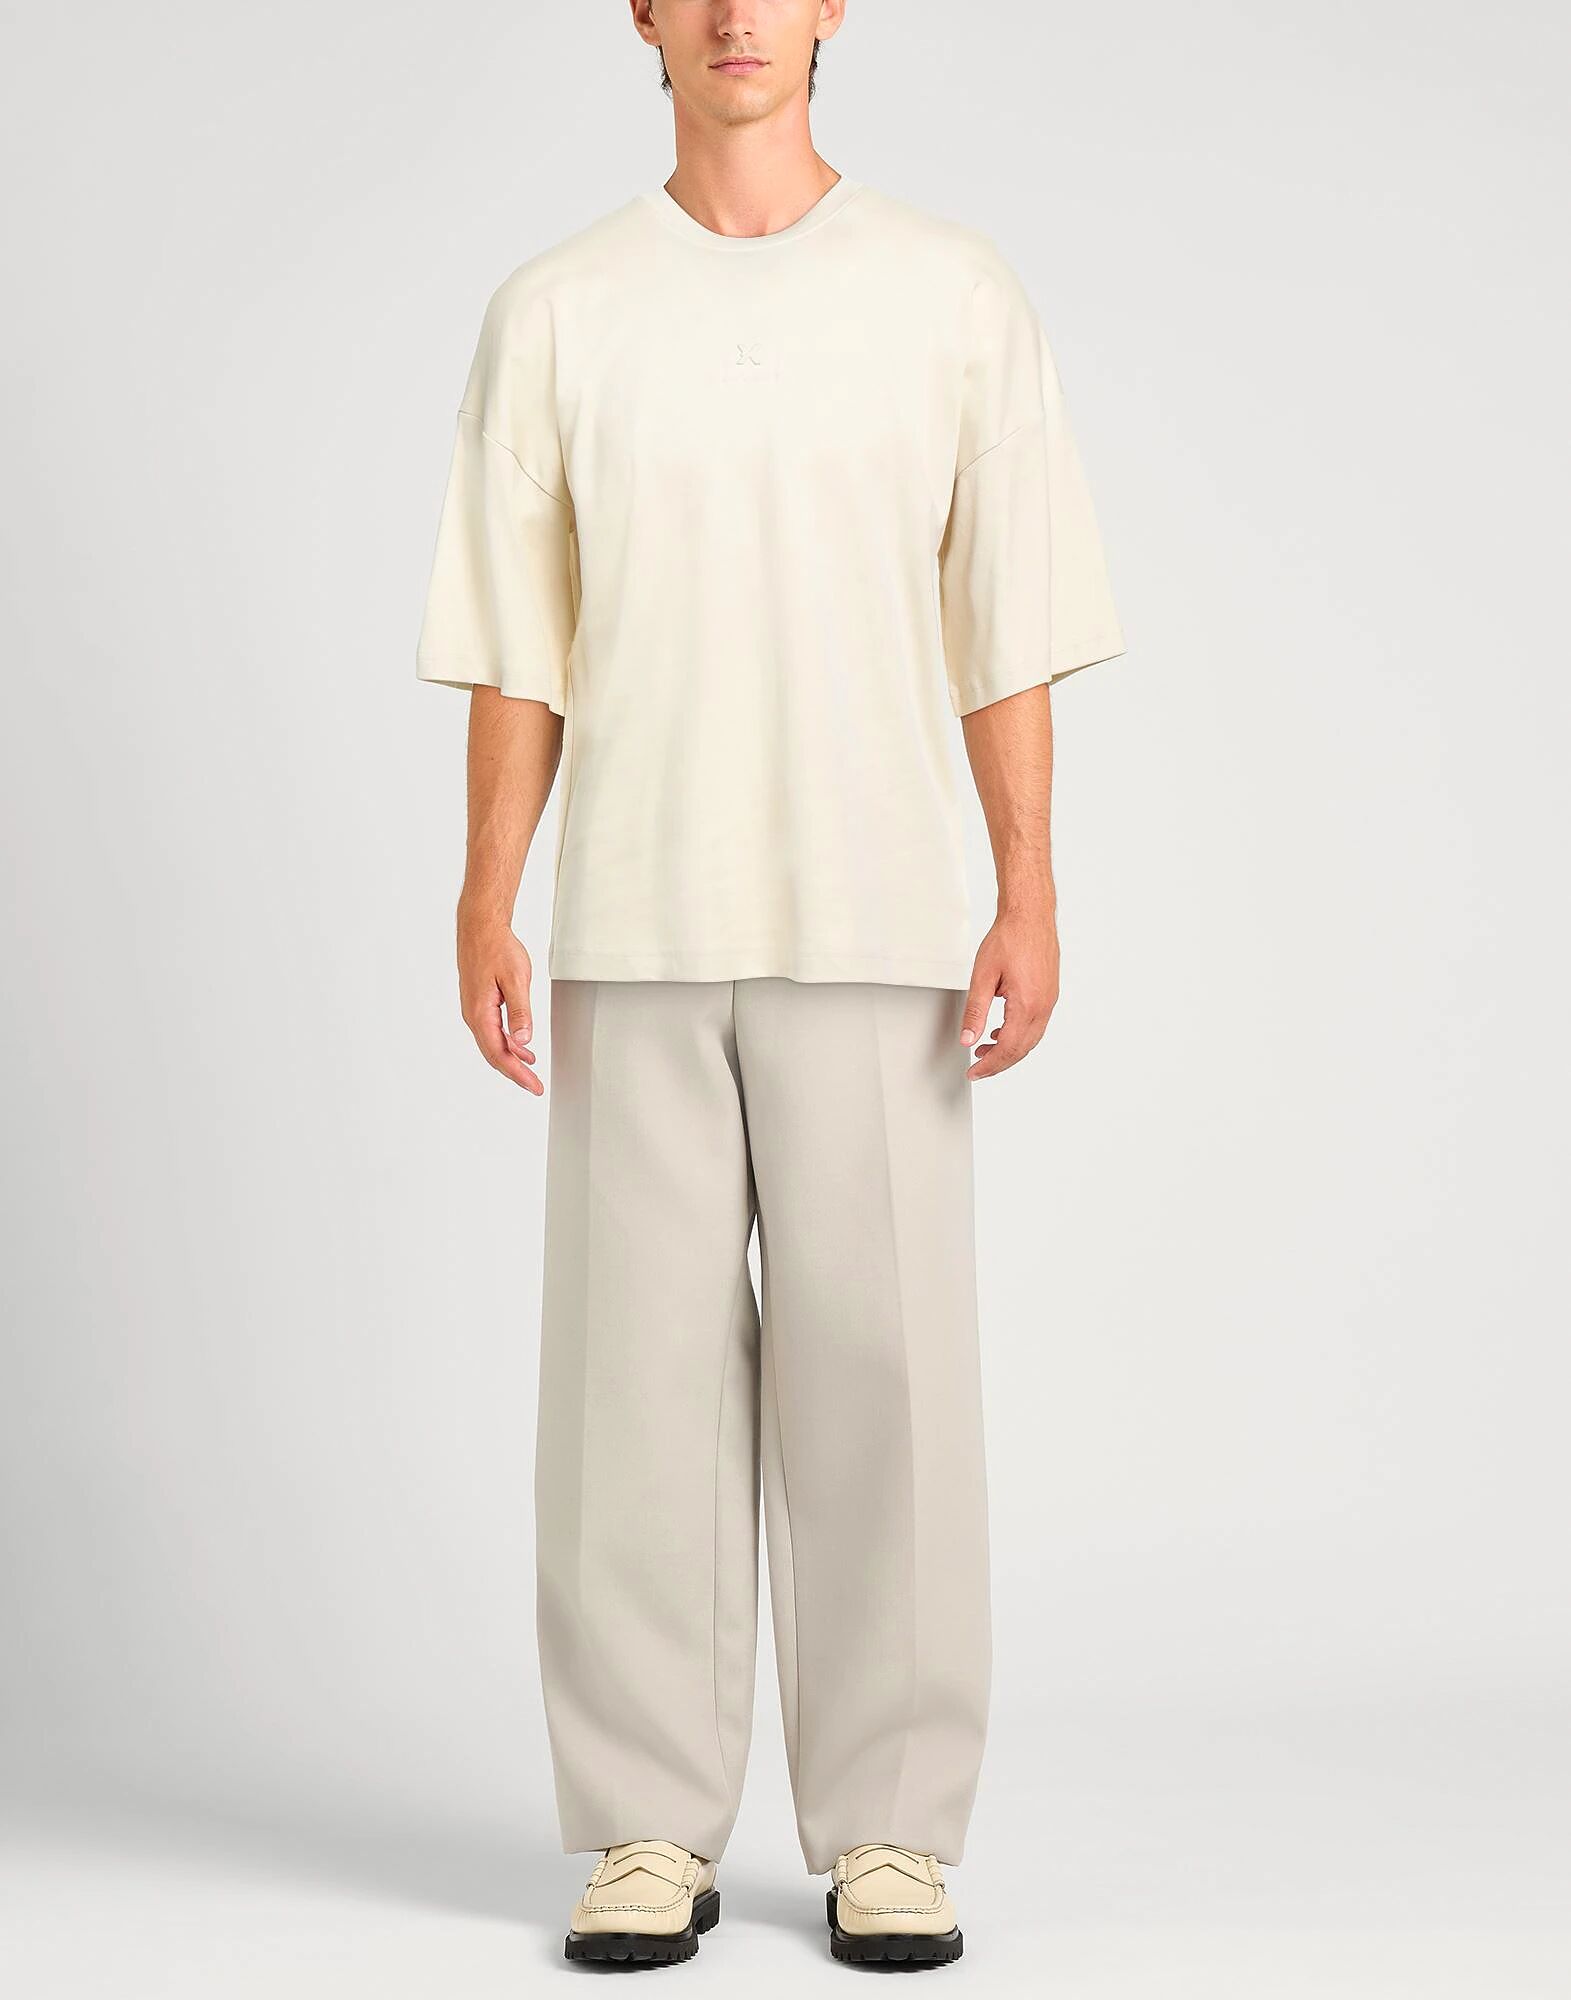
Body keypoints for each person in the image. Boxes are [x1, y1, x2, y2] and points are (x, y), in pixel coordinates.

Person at [414, 0, 1123, 1970]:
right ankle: (647, 1825)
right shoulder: (558, 311)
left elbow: (1003, 621)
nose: (739, 15)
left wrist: (1029, 886)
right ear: (640, 16)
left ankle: (892, 1827)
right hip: (634, 922)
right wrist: (486, 893)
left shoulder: (950, 296)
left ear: (833, 10)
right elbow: (519, 641)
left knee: (886, 1388)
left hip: (878, 917)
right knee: (629, 1400)